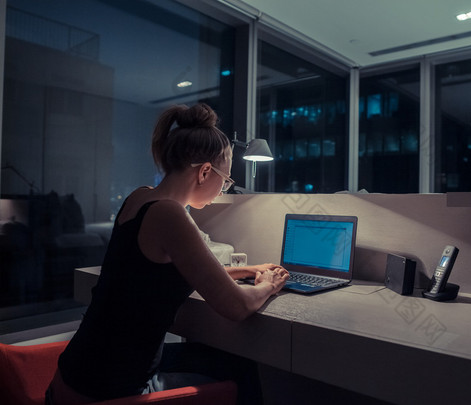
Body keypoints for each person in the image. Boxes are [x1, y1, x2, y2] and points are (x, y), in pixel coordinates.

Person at [46, 103, 289, 404]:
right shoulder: (170, 215)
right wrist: (269, 284)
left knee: (214, 356)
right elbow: (236, 306)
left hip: (73, 376)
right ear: (203, 172)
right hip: (109, 391)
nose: (222, 190)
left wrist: (247, 269)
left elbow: (165, 273)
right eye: (225, 180)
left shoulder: (141, 197)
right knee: (241, 368)